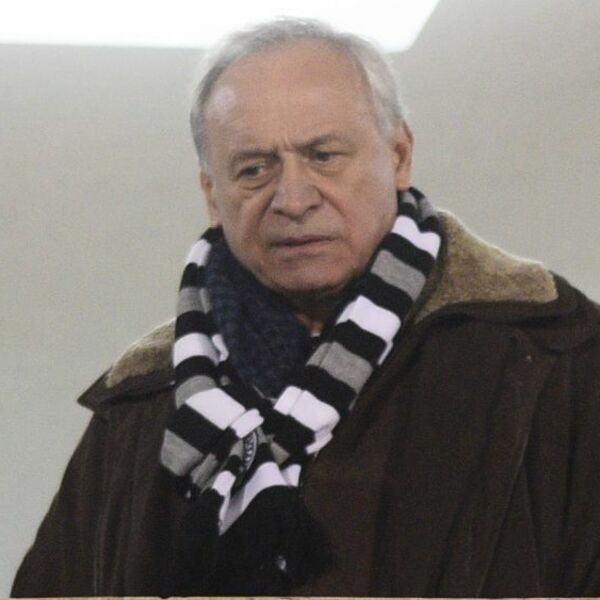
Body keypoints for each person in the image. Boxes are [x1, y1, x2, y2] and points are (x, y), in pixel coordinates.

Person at [12, 17, 600, 598]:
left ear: (399, 156)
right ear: (212, 194)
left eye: (323, 156)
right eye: (254, 168)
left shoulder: (558, 363)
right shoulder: (140, 403)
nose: (292, 199)